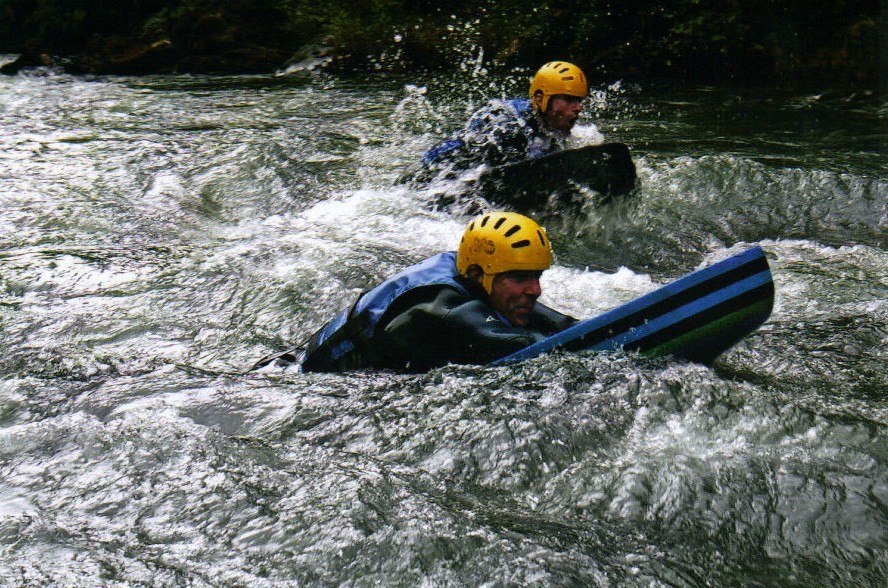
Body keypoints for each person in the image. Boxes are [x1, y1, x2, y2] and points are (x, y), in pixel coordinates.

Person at [296, 212, 578, 373]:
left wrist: (573, 327)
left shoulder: (475, 274)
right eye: (519, 278)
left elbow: (559, 325)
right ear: (479, 275)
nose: (535, 290)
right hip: (311, 383)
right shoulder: (439, 306)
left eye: (537, 276)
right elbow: (517, 341)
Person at [417, 61, 591, 175]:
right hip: (432, 173)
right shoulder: (511, 130)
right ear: (540, 99)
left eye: (579, 100)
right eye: (569, 100)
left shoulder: (547, 125)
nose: (578, 108)